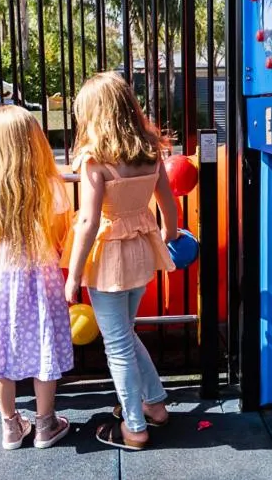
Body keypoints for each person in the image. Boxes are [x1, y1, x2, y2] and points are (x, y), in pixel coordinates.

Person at [61, 71, 179, 450]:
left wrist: (73, 276)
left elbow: (88, 221)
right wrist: (170, 234)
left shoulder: (95, 160)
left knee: (117, 346)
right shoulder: (149, 149)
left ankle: (134, 427)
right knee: (126, 335)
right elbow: (167, 203)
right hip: (141, 250)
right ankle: (155, 405)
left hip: (109, 257)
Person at [0, 105, 74, 451]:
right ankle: (46, 424)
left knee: (1, 347)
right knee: (44, 345)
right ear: (34, 141)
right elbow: (61, 227)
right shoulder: (48, 183)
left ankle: (10, 427)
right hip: (41, 272)